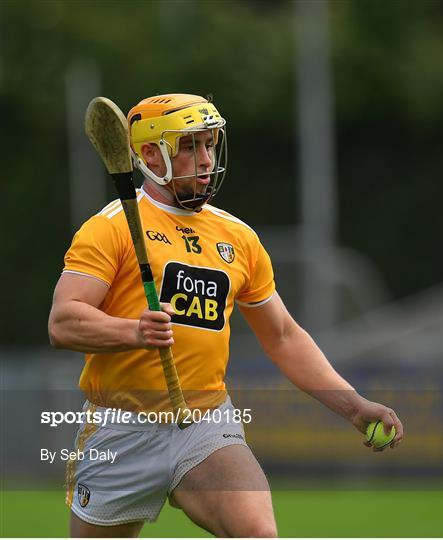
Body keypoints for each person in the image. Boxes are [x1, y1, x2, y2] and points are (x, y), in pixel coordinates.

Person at [48, 93, 404, 538]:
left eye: (210, 145)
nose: (205, 158)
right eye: (190, 146)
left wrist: (352, 405)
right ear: (152, 155)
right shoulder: (111, 227)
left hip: (204, 422)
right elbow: (63, 322)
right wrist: (132, 330)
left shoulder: (238, 237)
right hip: (120, 430)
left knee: (258, 533)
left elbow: (284, 337)